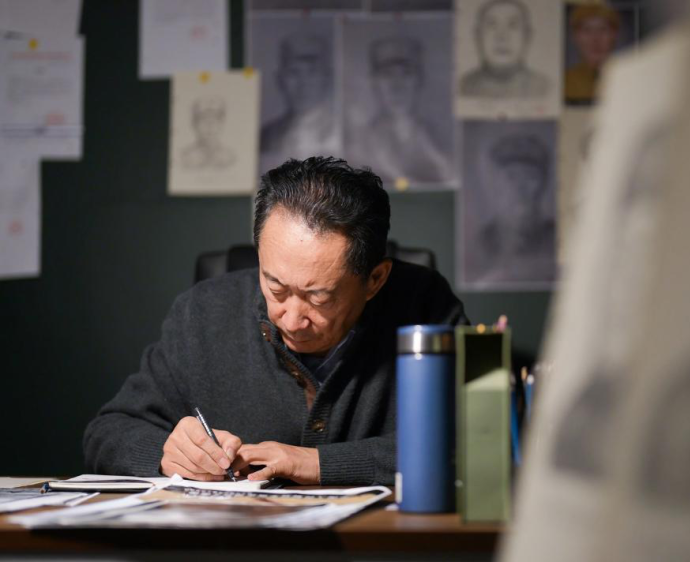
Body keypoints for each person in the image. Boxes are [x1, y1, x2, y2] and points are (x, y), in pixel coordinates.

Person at [83, 157, 467, 486]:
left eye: (319, 297)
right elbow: (107, 432)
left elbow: (472, 437)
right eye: (275, 286)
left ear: (375, 280)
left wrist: (317, 464)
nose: (292, 319)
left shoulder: (425, 305)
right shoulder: (202, 312)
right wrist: (165, 454)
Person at [350, 36, 451, 184]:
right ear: (374, 82)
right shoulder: (363, 140)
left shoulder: (436, 136)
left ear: (419, 80)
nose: (396, 87)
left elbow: (452, 180)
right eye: (387, 75)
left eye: (406, 74)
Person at [471, 133, 556, 285]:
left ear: (543, 183)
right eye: (511, 176)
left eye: (530, 176)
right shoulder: (482, 240)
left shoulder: (555, 237)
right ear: (497, 183)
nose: (520, 187)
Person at [259, 36, 341, 173]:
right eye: (294, 72)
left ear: (328, 77)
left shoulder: (345, 132)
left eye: (312, 72)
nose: (303, 83)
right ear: (280, 78)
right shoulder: (265, 136)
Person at [459, 0, 550, 99]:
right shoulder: (462, 86)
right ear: (477, 35)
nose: (502, 37)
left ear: (527, 36)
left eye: (513, 25)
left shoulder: (545, 87)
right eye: (492, 25)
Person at [563, 4, 621, 104]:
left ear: (614, 35)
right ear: (575, 36)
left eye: (603, 29)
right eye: (587, 30)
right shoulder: (563, 81)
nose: (595, 39)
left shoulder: (628, 79)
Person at [180, 96, 236, 170]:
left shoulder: (230, 157)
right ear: (194, 124)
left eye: (215, 119)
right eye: (204, 119)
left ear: (222, 124)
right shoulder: (185, 157)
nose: (210, 125)